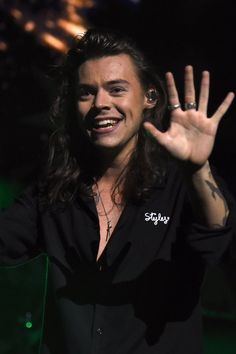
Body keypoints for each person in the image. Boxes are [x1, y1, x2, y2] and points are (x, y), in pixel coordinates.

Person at [0, 28, 235, 354]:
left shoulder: (180, 185)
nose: (100, 103)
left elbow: (217, 227)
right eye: (86, 93)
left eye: (116, 89)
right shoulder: (55, 192)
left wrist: (197, 169)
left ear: (148, 98)